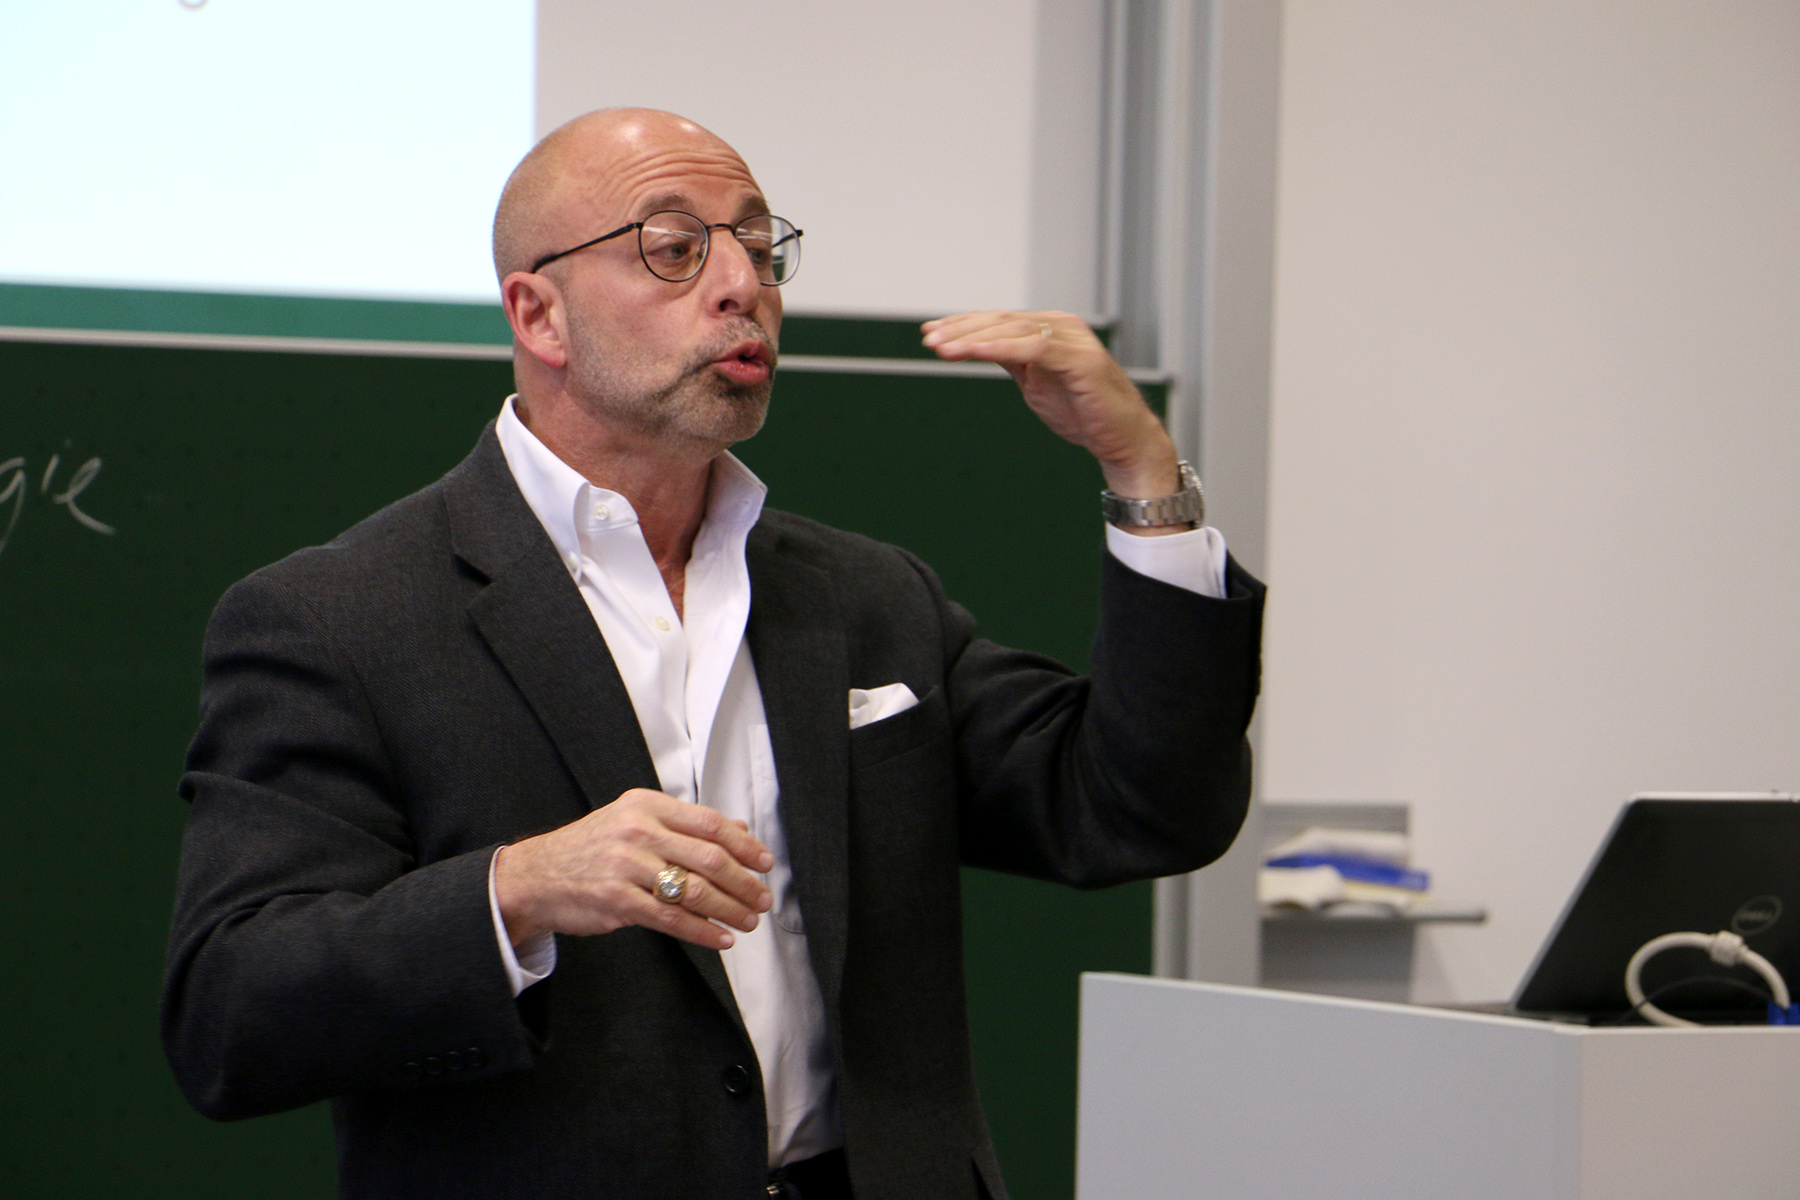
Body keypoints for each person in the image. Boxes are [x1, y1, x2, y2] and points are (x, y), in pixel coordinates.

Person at [161, 109, 1265, 1200]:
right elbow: (231, 1014)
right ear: (539, 314)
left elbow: (1140, 804)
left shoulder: (867, 597)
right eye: (677, 247)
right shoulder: (340, 616)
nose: (743, 284)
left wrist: (1141, 471)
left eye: (757, 243)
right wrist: (516, 891)